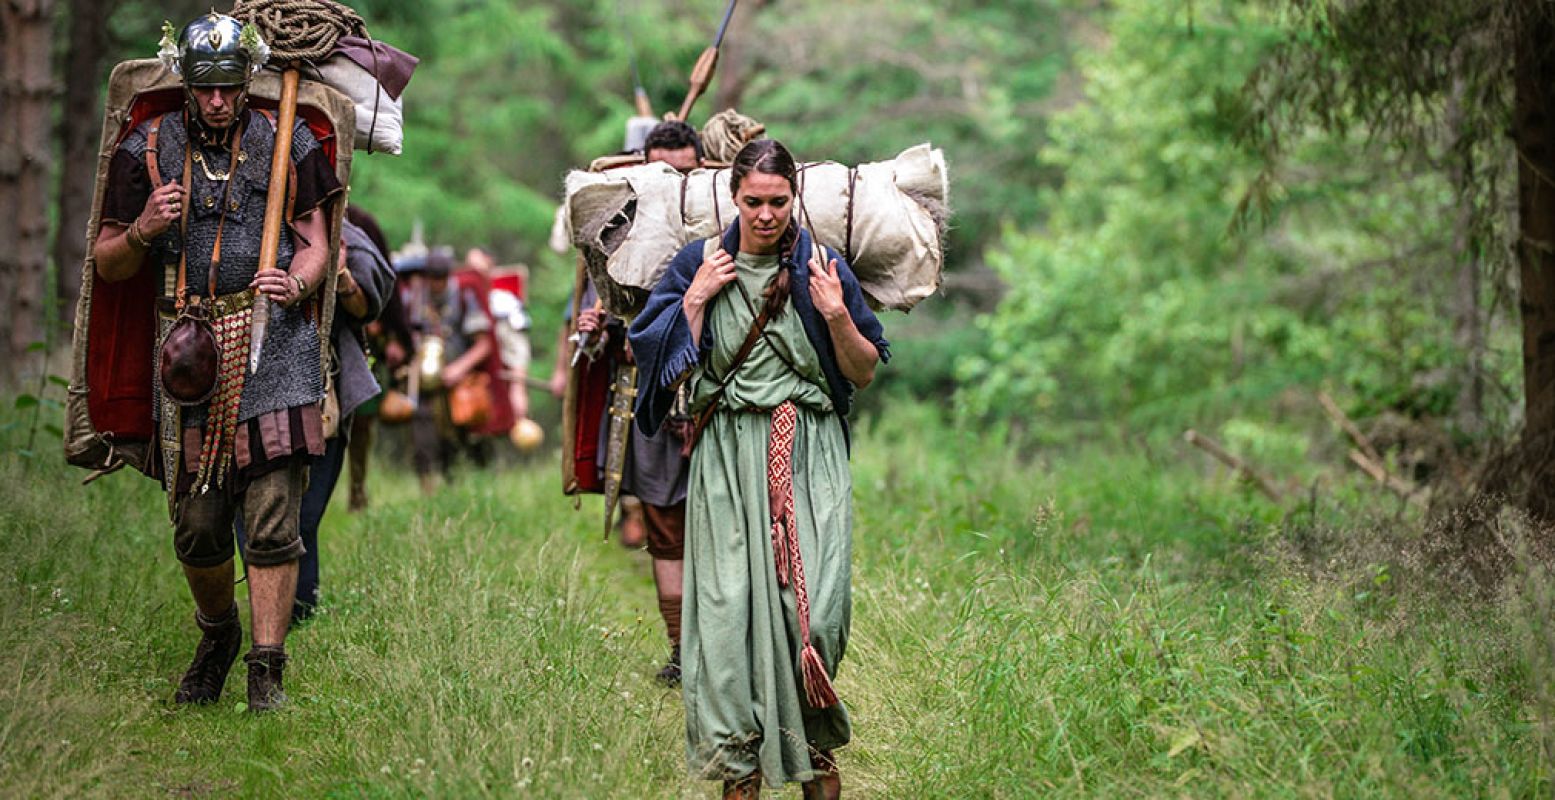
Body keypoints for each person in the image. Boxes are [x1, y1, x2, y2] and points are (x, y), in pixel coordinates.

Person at [91, 13, 342, 711]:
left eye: (230, 89)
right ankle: (218, 636)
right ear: (187, 86)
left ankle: (268, 672)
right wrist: (143, 230)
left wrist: (296, 281)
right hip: (188, 353)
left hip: (275, 340)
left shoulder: (285, 139)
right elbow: (108, 263)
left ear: (245, 84)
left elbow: (319, 243)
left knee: (270, 516)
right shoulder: (146, 146)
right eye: (206, 90)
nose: (218, 103)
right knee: (198, 522)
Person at [629, 139, 889, 798]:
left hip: (810, 448)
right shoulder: (698, 263)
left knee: (817, 614)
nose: (767, 215)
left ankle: (811, 745)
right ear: (733, 197)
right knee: (726, 617)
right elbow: (657, 368)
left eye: (778, 201)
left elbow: (860, 370)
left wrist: (835, 314)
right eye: (754, 202)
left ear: (792, 197)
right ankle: (738, 767)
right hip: (726, 454)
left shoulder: (821, 266)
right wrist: (694, 301)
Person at [236, 206, 397, 620]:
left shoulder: (346, 229)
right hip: (243, 385)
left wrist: (339, 273)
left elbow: (368, 304)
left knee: (304, 516)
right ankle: (265, 612)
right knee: (247, 512)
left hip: (320, 389)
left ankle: (298, 614)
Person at [405, 247, 493, 493]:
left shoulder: (464, 297)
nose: (436, 283)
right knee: (422, 437)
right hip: (423, 383)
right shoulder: (415, 299)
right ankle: (427, 490)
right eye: (432, 277)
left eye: (441, 277)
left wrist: (458, 368)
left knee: (456, 442)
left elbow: (483, 344)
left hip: (456, 384)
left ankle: (458, 490)